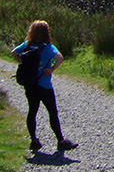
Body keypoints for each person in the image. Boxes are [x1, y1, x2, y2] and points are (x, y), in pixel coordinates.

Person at [11, 20, 78, 152]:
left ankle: (34, 141)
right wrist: (51, 69)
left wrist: (21, 62)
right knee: (52, 112)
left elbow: (13, 52)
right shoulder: (48, 47)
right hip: (44, 85)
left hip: (30, 85)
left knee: (32, 112)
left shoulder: (27, 45)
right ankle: (61, 141)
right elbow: (60, 58)